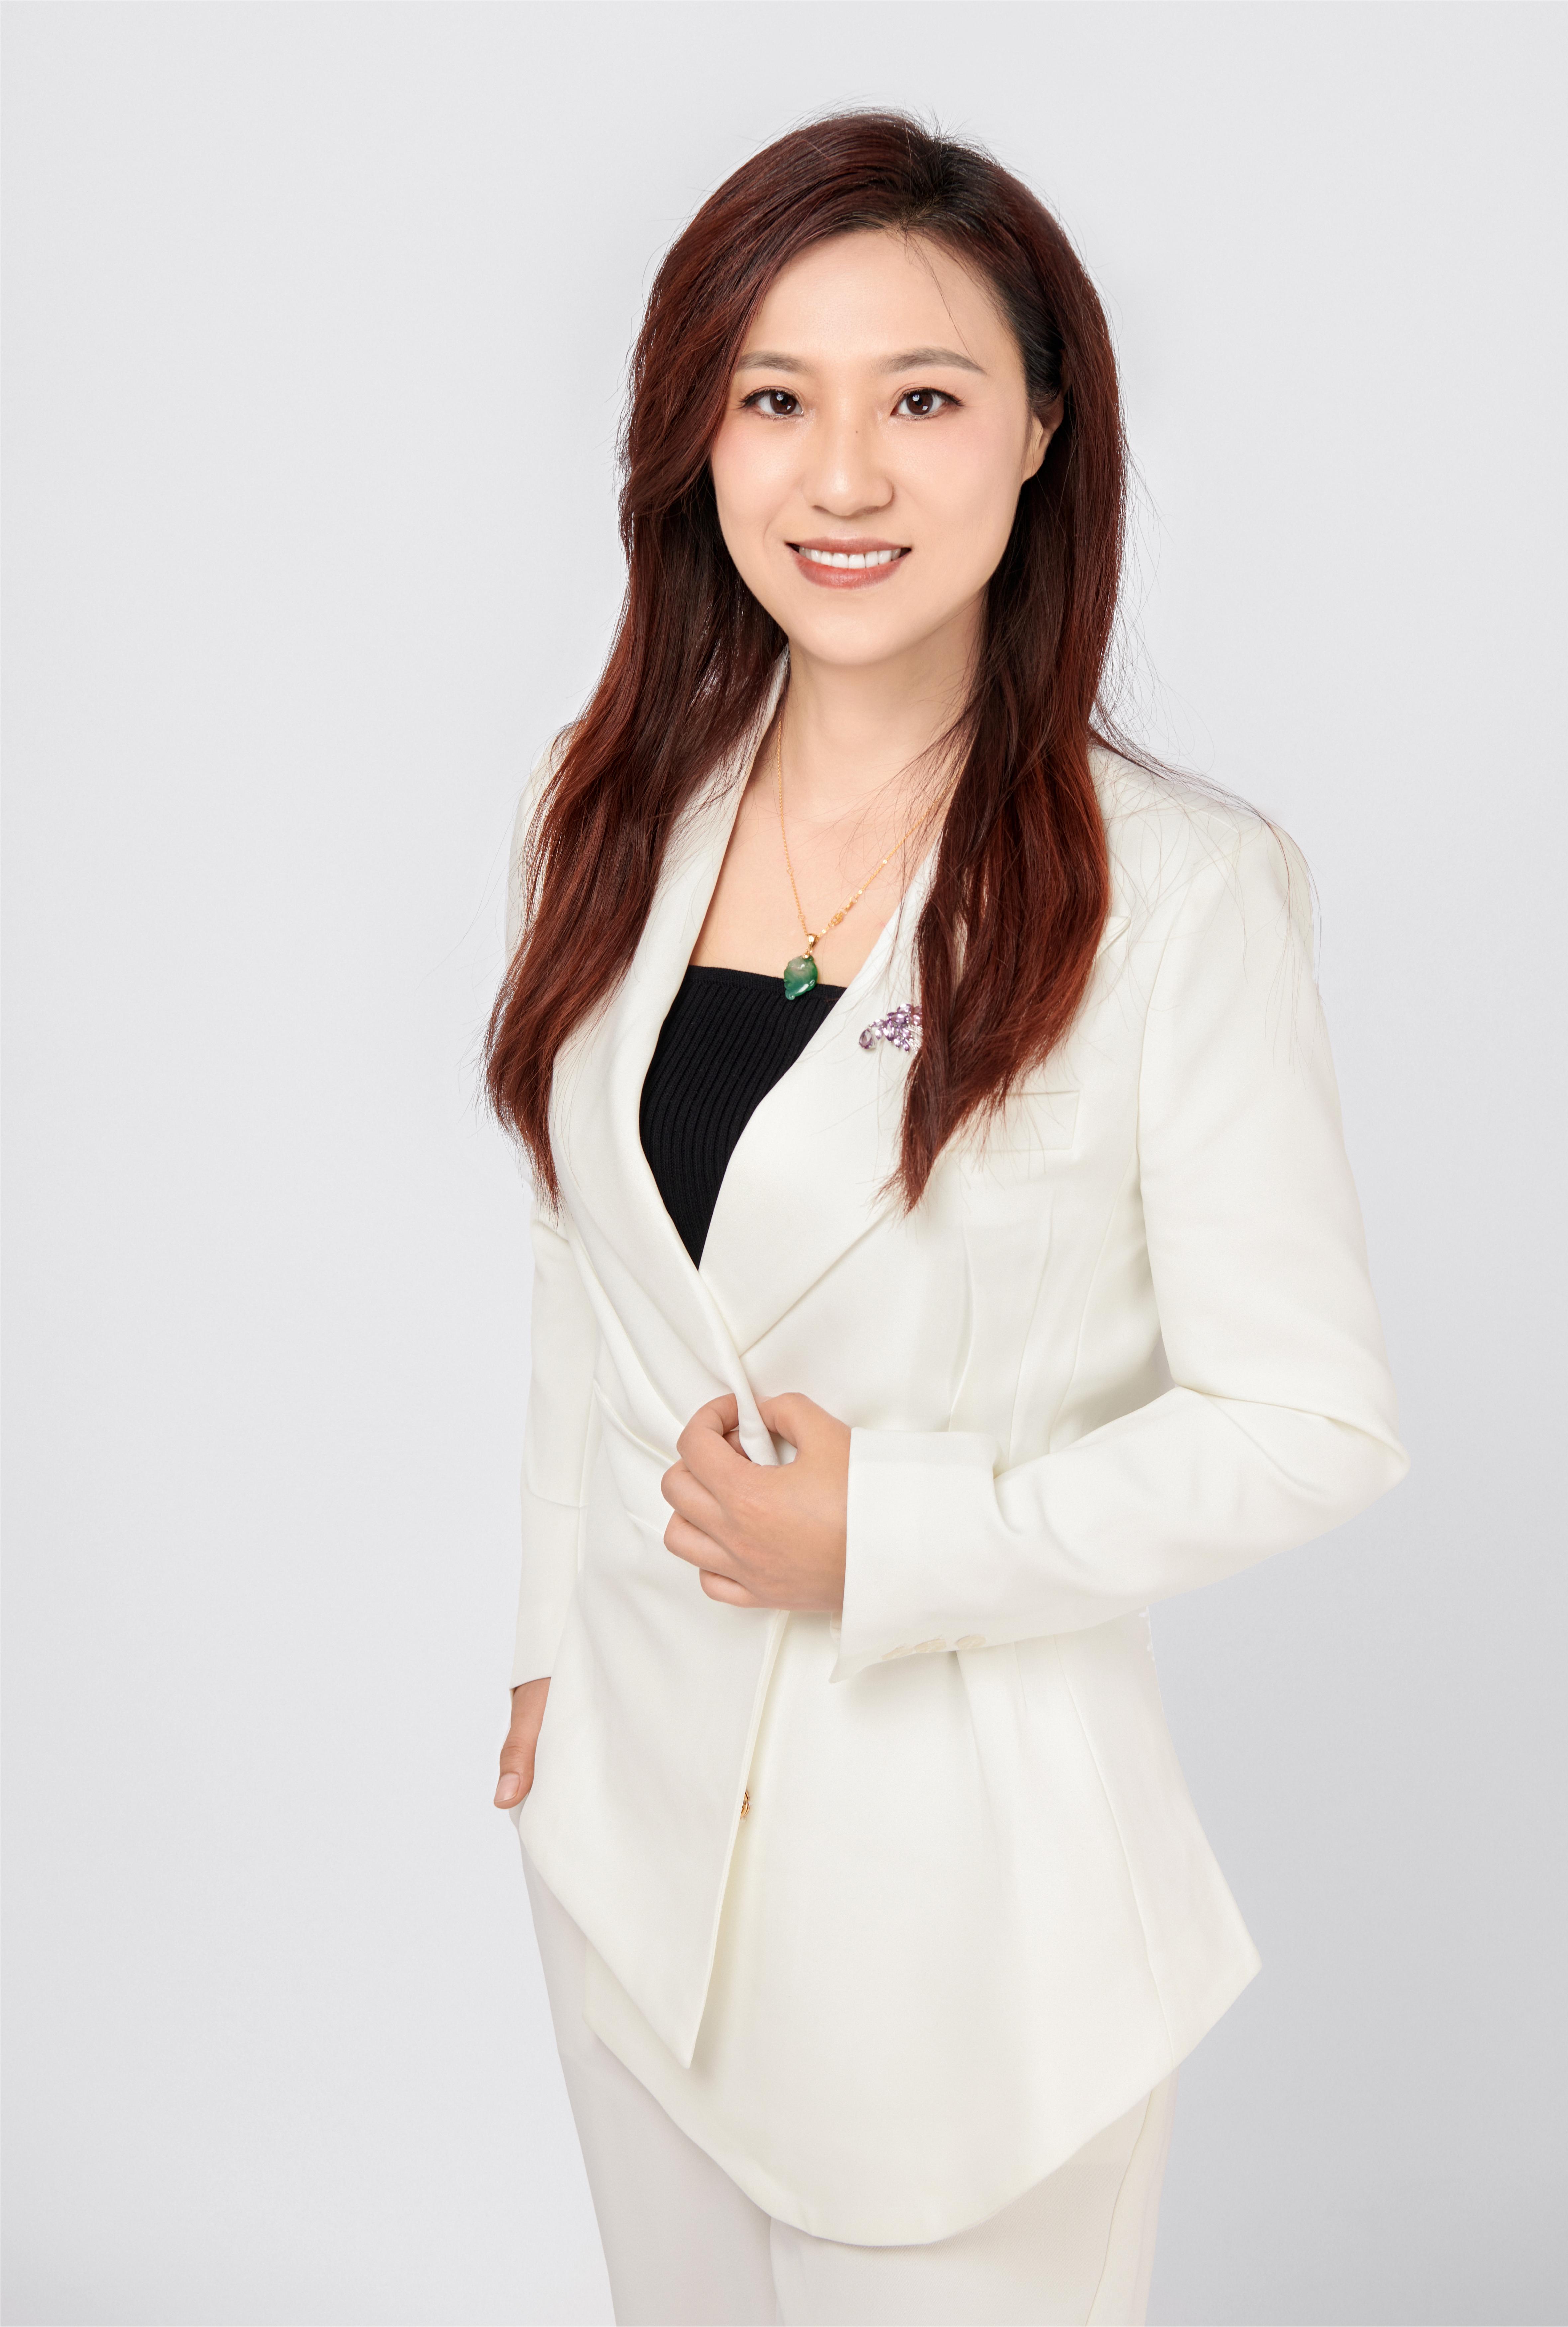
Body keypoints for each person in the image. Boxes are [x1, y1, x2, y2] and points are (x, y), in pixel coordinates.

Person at [483, 111, 1408, 2327]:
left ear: (1037, 432)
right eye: (771, 399)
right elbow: (591, 1271)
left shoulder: (1173, 896)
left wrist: (889, 1537)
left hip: (969, 1927)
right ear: (695, 437)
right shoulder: (607, 822)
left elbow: (1310, 1422)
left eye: (920, 398)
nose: (841, 476)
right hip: (632, 1871)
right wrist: (547, 1646)